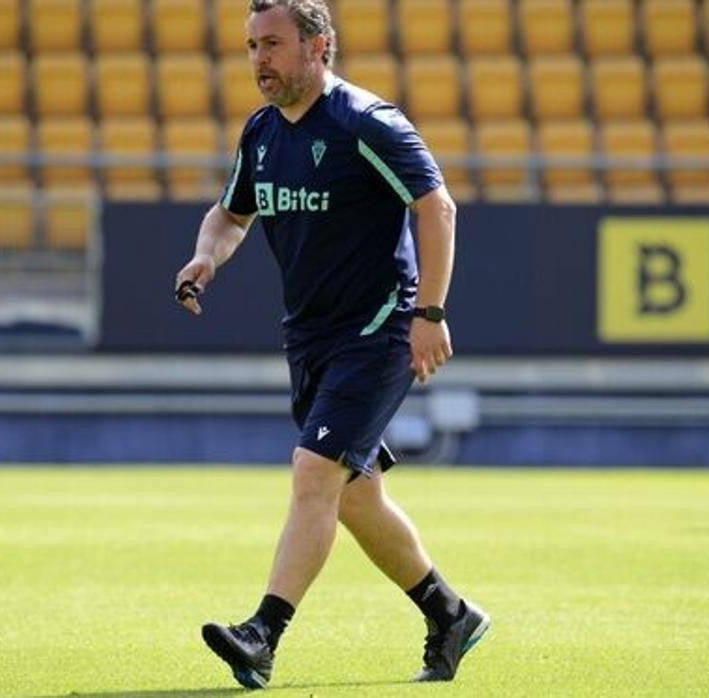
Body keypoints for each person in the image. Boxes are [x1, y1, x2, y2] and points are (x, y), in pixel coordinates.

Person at [174, 0, 488, 688]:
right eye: (253, 45)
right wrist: (207, 258)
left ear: (320, 47)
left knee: (314, 474)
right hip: (311, 338)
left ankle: (262, 633)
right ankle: (450, 615)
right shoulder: (260, 133)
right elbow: (230, 214)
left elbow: (436, 206)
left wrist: (429, 311)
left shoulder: (364, 123)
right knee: (352, 498)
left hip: (377, 329)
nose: (259, 59)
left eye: (274, 44)